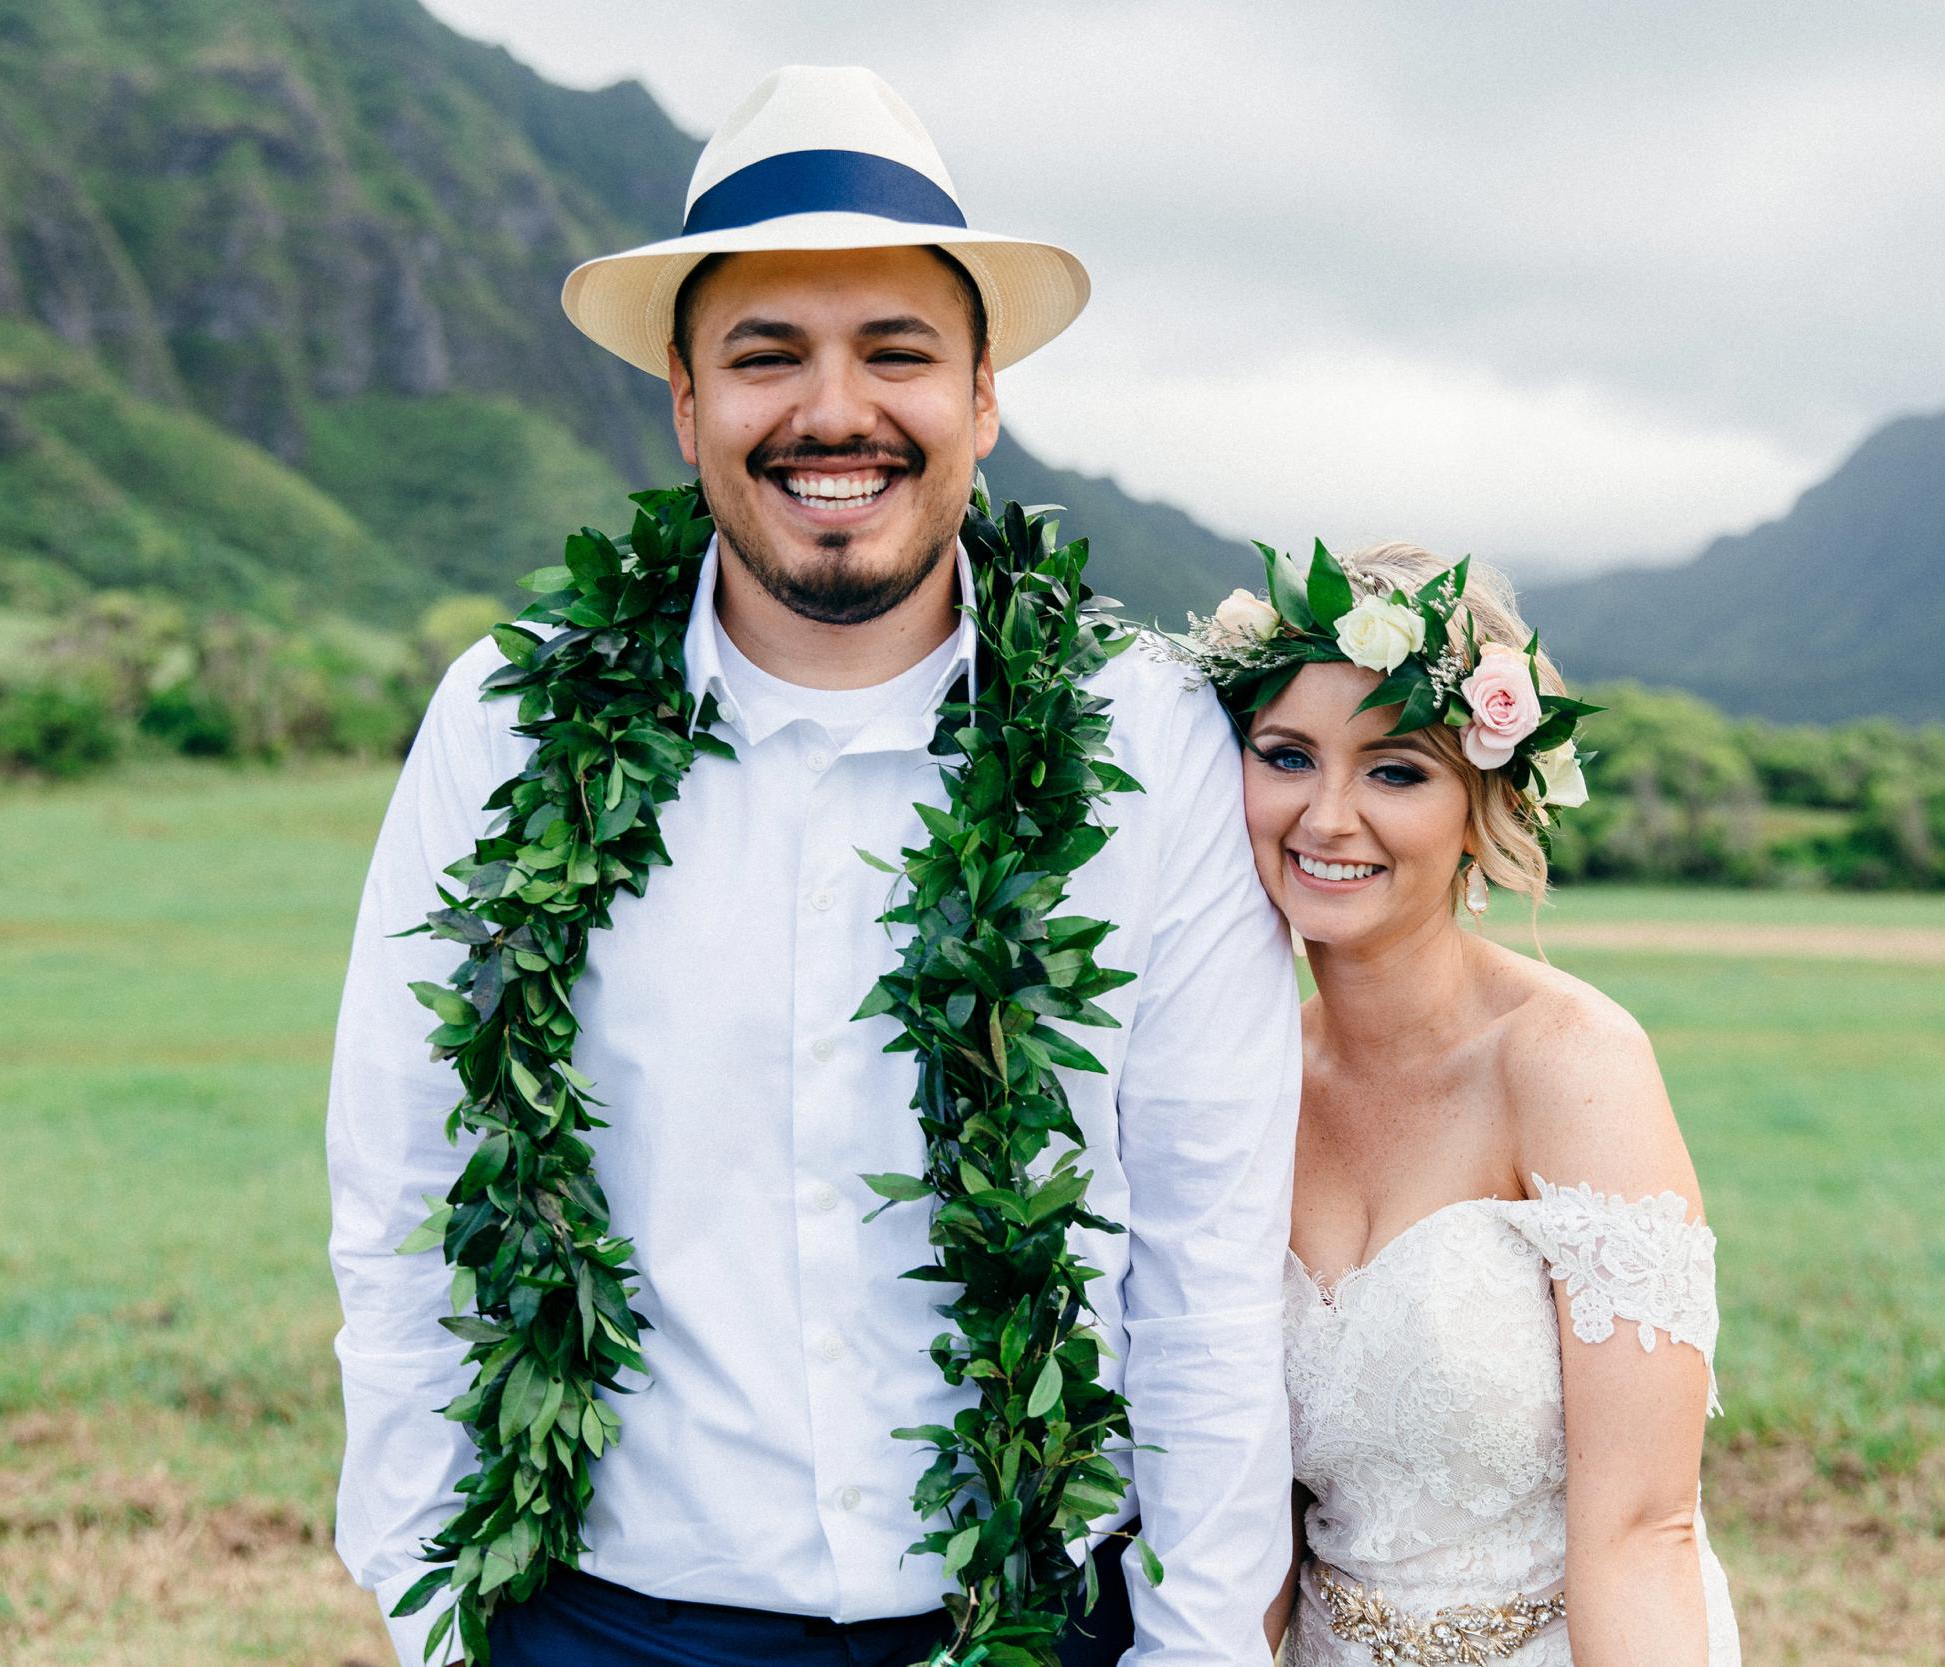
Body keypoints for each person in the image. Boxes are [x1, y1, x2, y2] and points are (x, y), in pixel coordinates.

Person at [326, 66, 1301, 1667]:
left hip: (1034, 1619)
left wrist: (1197, 1644)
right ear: (684, 402)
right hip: (603, 1622)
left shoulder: (1147, 737)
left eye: (896, 354)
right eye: (765, 356)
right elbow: (404, 1185)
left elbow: (1206, 1244)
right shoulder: (508, 715)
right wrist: (444, 1617)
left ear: (984, 399)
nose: (832, 412)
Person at [1174, 542, 1742, 1666]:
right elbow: (1250, 1525)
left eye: (1395, 770)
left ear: (1485, 799)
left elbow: (1643, 1529)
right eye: (1285, 756)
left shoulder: (1570, 1063)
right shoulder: (1237, 1082)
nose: (1327, 816)